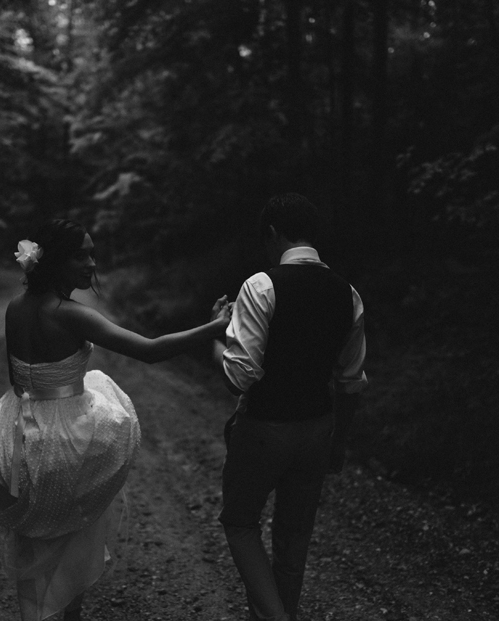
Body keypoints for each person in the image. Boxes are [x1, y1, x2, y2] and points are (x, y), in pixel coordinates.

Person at [0, 218, 231, 621]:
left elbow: (17, 379)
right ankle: (69, 614)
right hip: (63, 438)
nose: (92, 264)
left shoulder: (15, 308)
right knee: (74, 531)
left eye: (93, 254)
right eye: (81, 255)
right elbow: (150, 350)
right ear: (54, 260)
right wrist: (215, 327)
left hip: (19, 431)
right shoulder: (69, 314)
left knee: (37, 536)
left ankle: (38, 612)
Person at [213, 193, 368, 621]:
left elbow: (237, 378)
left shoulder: (260, 285)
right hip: (317, 428)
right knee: (294, 539)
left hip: (264, 427)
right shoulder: (348, 294)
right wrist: (338, 443)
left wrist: (221, 337)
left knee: (241, 523)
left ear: (273, 234)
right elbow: (350, 383)